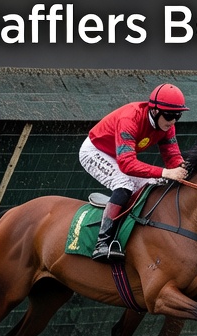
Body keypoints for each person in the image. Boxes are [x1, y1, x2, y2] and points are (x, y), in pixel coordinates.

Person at [80, 84, 190, 261]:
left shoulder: (168, 127)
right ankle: (102, 243)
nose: (172, 121)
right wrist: (164, 172)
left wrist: (183, 170)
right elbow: (126, 164)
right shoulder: (130, 118)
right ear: (154, 111)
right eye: (169, 115)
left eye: (178, 116)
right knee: (124, 184)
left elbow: (172, 157)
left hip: (120, 155)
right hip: (95, 151)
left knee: (154, 185)